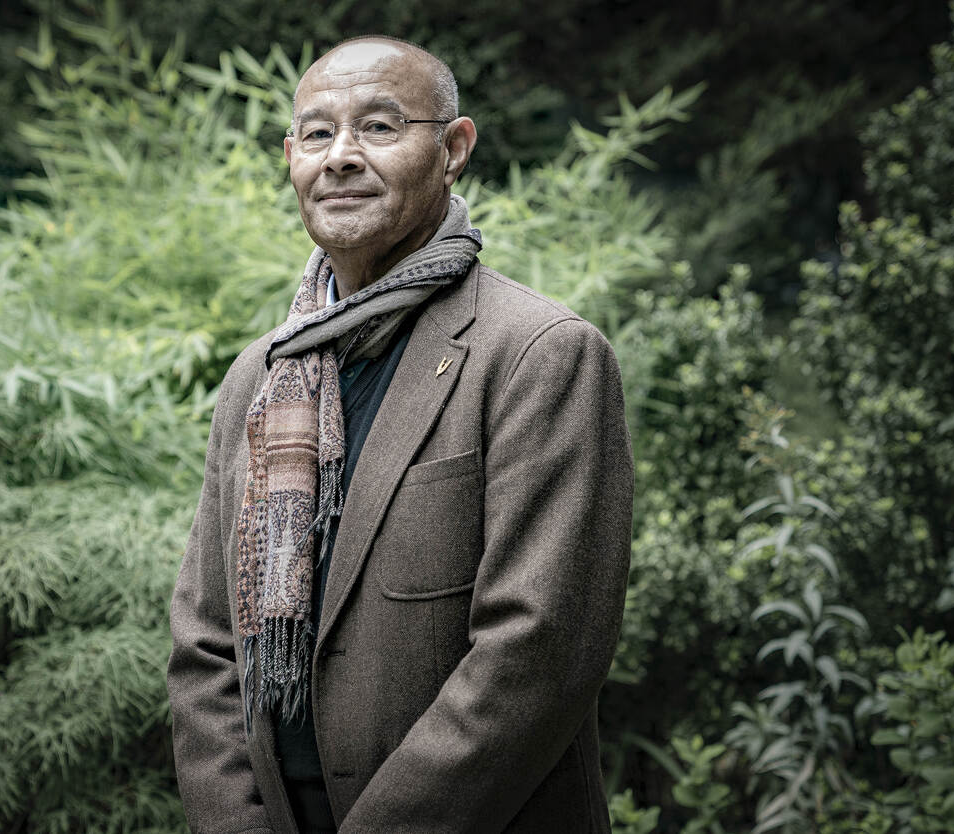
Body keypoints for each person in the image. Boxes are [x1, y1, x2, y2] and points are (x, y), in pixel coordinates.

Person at [167, 35, 634, 833]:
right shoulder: (261, 376)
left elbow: (537, 652)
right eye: (317, 133)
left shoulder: (537, 354)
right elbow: (207, 644)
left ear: (454, 150)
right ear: (292, 158)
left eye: (379, 127)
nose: (341, 156)